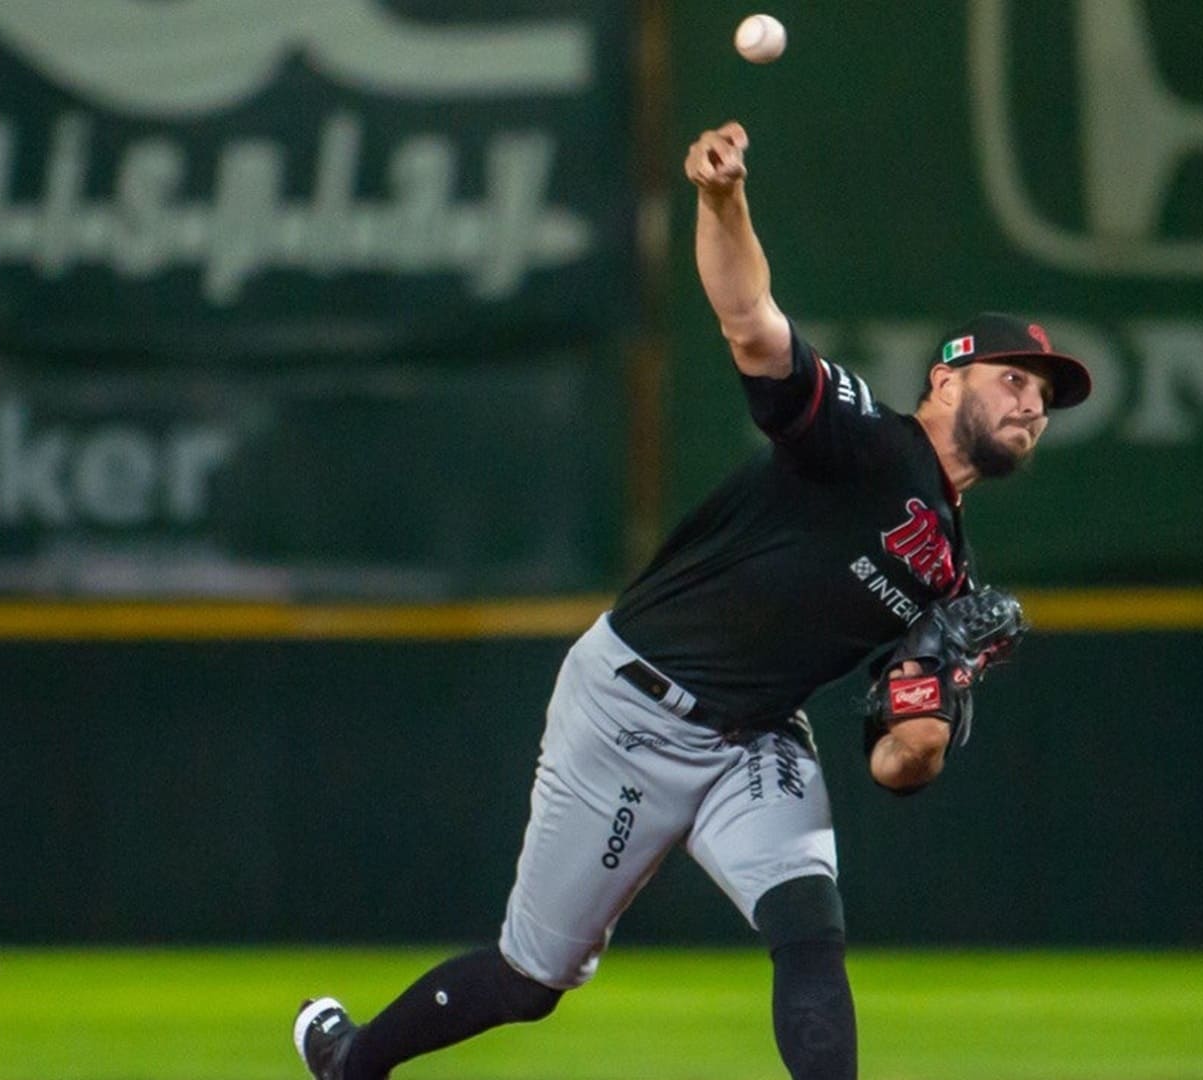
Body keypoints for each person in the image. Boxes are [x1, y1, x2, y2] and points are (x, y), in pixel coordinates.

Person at [293, 121, 1091, 1080]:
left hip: (752, 735)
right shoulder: (867, 445)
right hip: (630, 708)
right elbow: (754, 326)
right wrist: (722, 199)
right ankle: (350, 1063)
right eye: (1014, 380)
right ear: (946, 377)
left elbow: (897, 760)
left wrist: (936, 698)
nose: (1032, 404)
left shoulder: (949, 573)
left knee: (808, 927)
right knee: (531, 981)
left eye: (1045, 397)